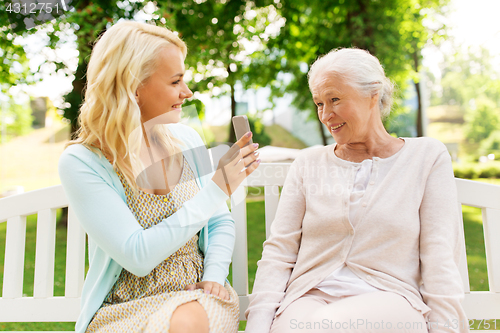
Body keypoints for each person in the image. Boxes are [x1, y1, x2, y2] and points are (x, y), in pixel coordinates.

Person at [244, 48, 468, 333]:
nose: (326, 114)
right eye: (319, 103)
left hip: (390, 300)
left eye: (335, 99)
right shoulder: (308, 163)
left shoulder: (426, 157)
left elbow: (439, 256)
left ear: (373, 94)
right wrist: (257, 327)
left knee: (327, 327)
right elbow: (279, 252)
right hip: (308, 299)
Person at [58, 21, 261, 333]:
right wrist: (217, 188)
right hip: (120, 311)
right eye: (175, 81)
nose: (187, 92)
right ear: (134, 84)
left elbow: (219, 221)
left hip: (198, 298)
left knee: (186, 322)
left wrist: (214, 278)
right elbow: (137, 255)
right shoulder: (84, 161)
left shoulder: (186, 139)